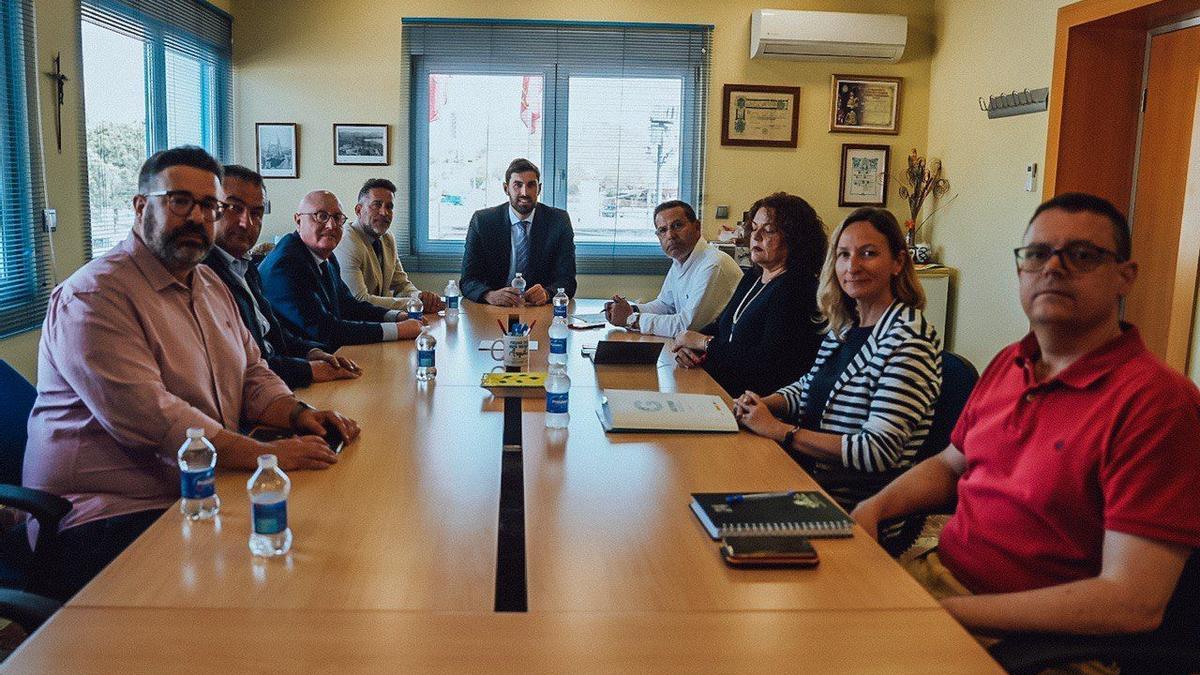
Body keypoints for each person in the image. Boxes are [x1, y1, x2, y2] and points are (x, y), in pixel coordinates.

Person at [852, 193, 1200, 640]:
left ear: (1124, 278)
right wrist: (873, 508)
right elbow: (949, 466)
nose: (1053, 268)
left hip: (1032, 639)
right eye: (1037, 255)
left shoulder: (1158, 405)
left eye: (1081, 256)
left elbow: (1132, 603)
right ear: (1020, 270)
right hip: (938, 580)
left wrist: (946, 613)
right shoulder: (1010, 362)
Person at [23, 146, 360, 599]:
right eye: (180, 201)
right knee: (273, 583)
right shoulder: (94, 297)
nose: (198, 217)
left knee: (326, 541)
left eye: (209, 206)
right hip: (106, 513)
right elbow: (152, 419)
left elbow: (252, 373)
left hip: (201, 487)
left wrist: (298, 414)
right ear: (142, 206)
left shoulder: (209, 285)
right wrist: (267, 454)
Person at [734, 208, 941, 519]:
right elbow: (808, 387)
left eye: (868, 254)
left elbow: (877, 451)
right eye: (844, 255)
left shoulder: (909, 340)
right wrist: (762, 404)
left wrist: (781, 431)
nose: (853, 266)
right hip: (808, 484)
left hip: (854, 511)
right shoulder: (845, 325)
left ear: (898, 262)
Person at [203, 164, 361, 389]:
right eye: (234, 208)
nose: (246, 222)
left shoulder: (244, 266)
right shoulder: (203, 274)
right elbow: (240, 367)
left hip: (276, 383)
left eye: (256, 213)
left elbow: (273, 333)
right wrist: (308, 369)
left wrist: (313, 352)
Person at [670, 192, 826, 396]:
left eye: (768, 230)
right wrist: (689, 348)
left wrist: (703, 343)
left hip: (759, 403)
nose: (756, 236)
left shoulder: (797, 289)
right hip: (722, 387)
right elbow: (721, 325)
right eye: (754, 228)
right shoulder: (754, 276)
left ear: (795, 238)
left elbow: (765, 362)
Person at [259, 190, 424, 348]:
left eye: (337, 218)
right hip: (299, 363)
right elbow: (325, 330)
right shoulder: (287, 264)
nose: (331, 225)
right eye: (321, 216)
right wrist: (398, 330)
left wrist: (396, 316)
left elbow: (348, 305)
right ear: (298, 220)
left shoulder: (327, 256)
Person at [604, 200, 742, 338]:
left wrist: (632, 319)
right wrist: (631, 310)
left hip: (723, 353)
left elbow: (687, 327)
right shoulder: (680, 260)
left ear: (697, 227)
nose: (670, 235)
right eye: (663, 230)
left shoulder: (713, 264)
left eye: (677, 225)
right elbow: (665, 305)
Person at [460, 158, 576, 306]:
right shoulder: (483, 221)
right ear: (506, 188)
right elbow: (468, 280)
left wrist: (548, 293)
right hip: (495, 309)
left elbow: (568, 281)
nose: (524, 192)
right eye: (517, 185)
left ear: (539, 189)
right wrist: (489, 295)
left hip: (539, 310)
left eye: (531, 185)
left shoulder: (558, 221)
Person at [333, 178, 444, 313]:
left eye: (389, 207)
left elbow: (401, 285)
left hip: (382, 319)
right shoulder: (347, 241)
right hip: (355, 324)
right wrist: (414, 304)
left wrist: (420, 296)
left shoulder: (387, 238)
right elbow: (360, 299)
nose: (384, 212)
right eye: (376, 205)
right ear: (358, 210)